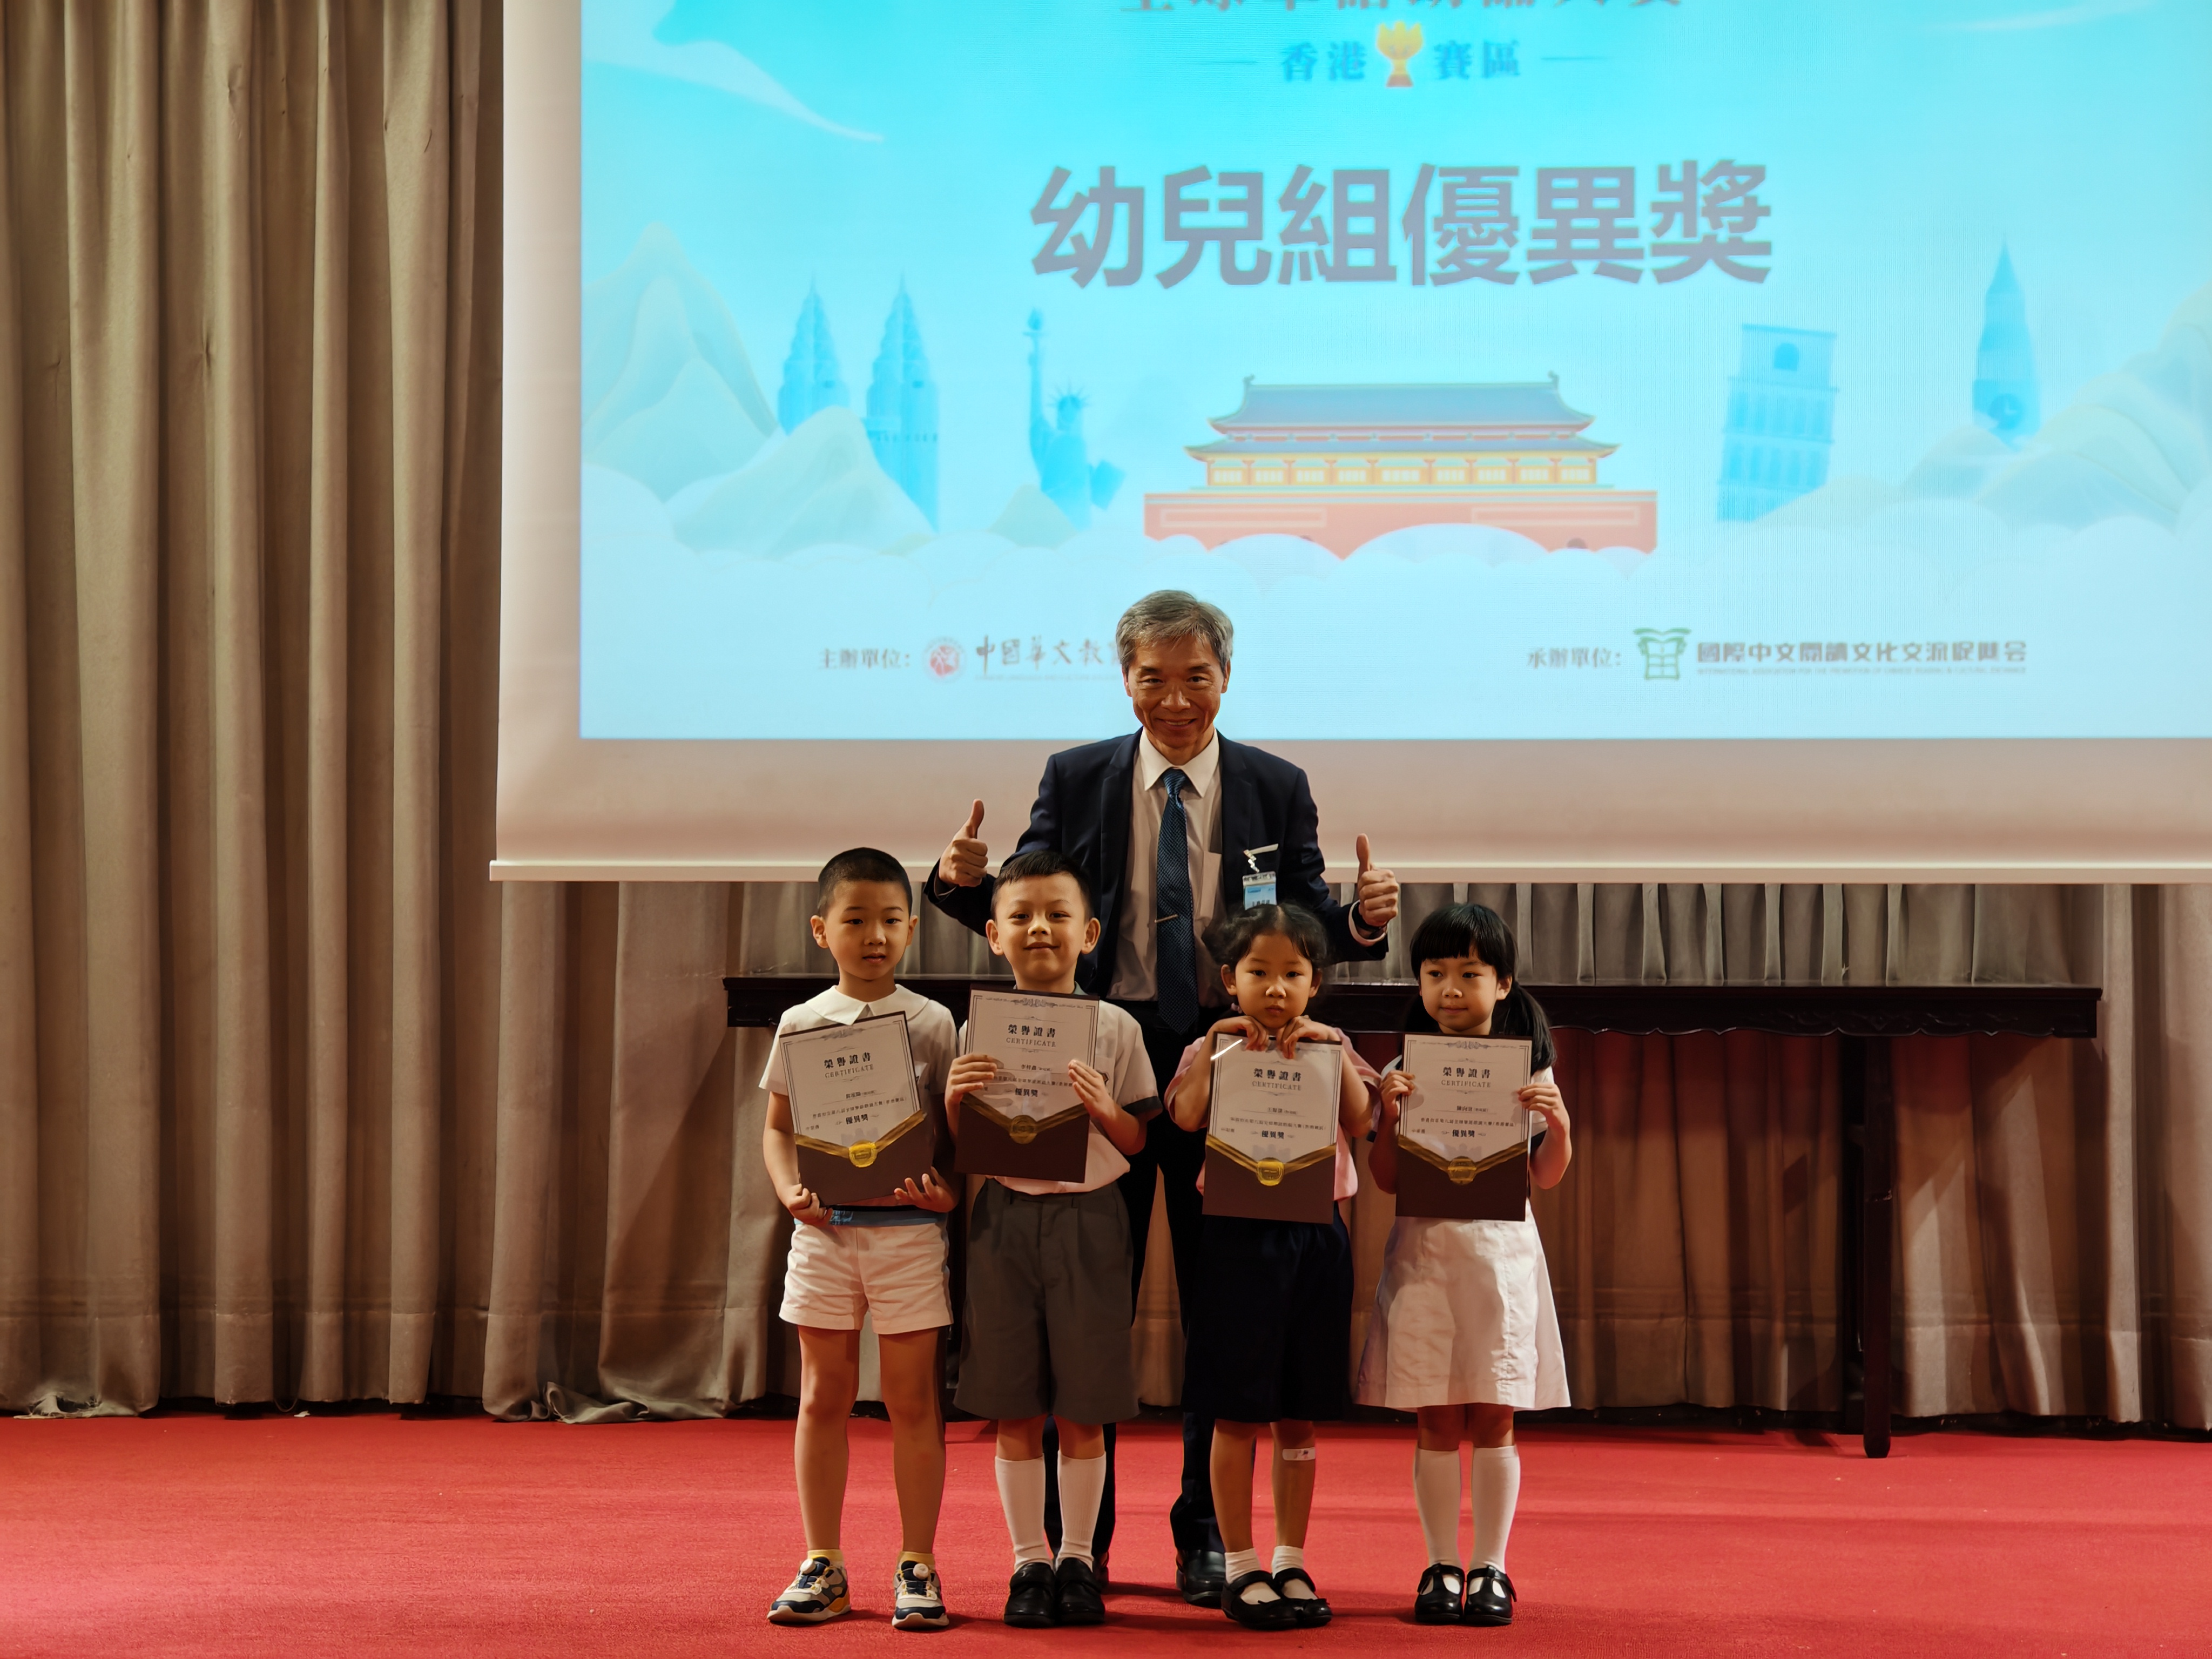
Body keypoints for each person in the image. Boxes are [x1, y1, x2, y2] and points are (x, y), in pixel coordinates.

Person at [926, 590, 1398, 1603]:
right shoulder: (1077, 776)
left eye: (1196, 678)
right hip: (1098, 1055)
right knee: (1087, 1305)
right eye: (1154, 678)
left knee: (1222, 1313)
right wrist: (961, 883)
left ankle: (1205, 1536)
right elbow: (1034, 906)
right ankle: (1076, 1547)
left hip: (1232, 1065)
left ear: (1227, 678)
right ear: (1125, 680)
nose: (1176, 699)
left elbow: (1302, 924)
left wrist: (1359, 923)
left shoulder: (1276, 785)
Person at [943, 849, 1161, 1629]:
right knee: (1012, 1405)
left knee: (1083, 1408)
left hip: (1092, 1220)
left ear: (1090, 933)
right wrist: (954, 1102)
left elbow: (1137, 1140)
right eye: (1023, 916)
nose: (1041, 928)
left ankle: (1077, 1559)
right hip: (1004, 1218)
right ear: (994, 935)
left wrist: (1105, 1110)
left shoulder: (1117, 1026)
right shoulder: (978, 1026)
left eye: (1059, 915)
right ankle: (1027, 1562)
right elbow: (965, 1144)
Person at [759, 849, 962, 1632]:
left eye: (890, 921)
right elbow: (778, 1129)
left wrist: (947, 1192)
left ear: (911, 930)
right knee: (822, 1396)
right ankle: (824, 1563)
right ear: (822, 930)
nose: (874, 936)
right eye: (856, 920)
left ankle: (919, 1562)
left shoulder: (933, 1022)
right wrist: (790, 1191)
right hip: (825, 1235)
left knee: (912, 1401)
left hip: (908, 1236)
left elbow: (954, 1134)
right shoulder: (801, 1022)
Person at [1357, 902, 1573, 1627]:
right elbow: (1385, 1179)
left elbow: (1547, 1176)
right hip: (1426, 1259)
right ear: (1418, 982)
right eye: (1435, 973)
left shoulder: (1530, 1069)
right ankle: (1441, 1566)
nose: (1451, 988)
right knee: (1436, 1416)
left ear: (1503, 983)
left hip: (1500, 1261)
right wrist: (1390, 1119)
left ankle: (1492, 1568)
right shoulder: (1402, 1070)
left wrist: (1559, 1124)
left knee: (1496, 1414)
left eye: (1470, 973)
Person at [1163, 904, 1376, 1631]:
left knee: (1298, 1412)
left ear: (1315, 982)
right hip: (1235, 1238)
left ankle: (1291, 1558)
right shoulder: (1211, 1045)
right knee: (1235, 1409)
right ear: (1231, 980)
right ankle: (1241, 1564)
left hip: (1317, 1238)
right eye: (1259, 972)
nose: (1276, 988)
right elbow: (1185, 1117)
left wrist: (1333, 1050)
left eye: (1293, 974)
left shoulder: (1333, 1044)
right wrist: (1214, 1046)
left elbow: (1363, 1121)